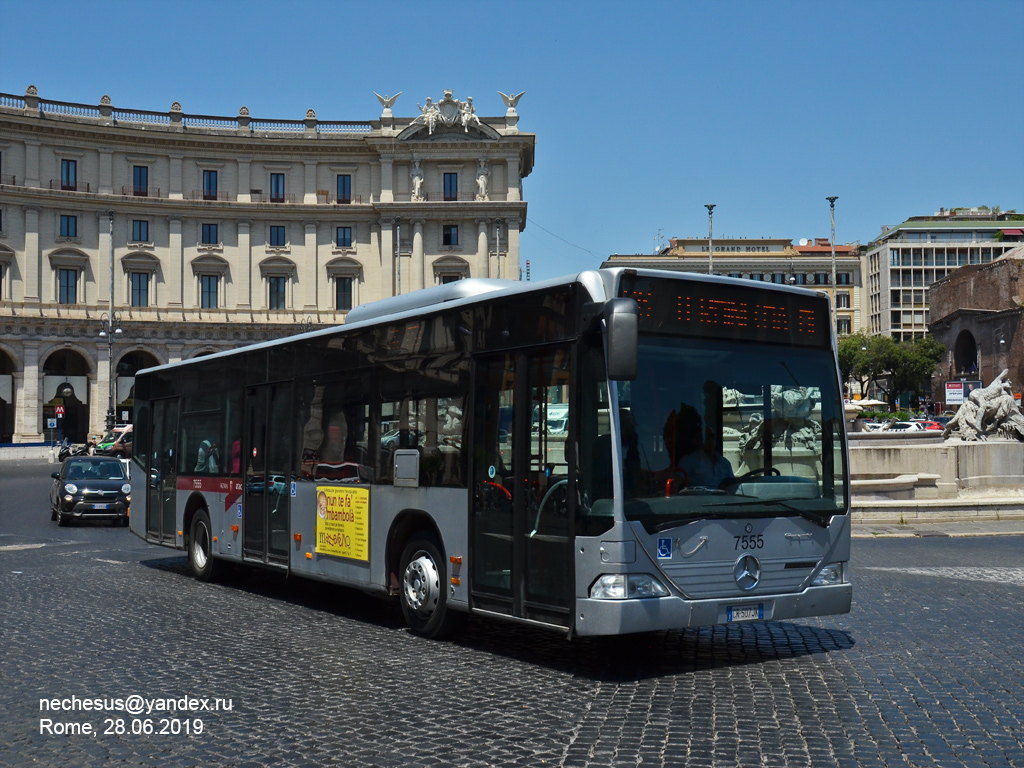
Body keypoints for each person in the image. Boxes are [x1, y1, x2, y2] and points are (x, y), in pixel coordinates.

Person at [663, 404, 734, 490]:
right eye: (706, 437)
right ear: (697, 440)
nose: (710, 440)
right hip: (699, 498)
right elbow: (676, 482)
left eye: (712, 436)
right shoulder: (689, 461)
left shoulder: (725, 463)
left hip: (724, 498)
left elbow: (733, 486)